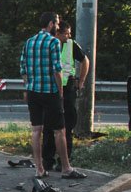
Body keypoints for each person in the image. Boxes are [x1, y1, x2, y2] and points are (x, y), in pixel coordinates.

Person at [19, 12, 86, 181]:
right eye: (56, 23)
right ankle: (66, 168)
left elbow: (23, 68)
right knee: (60, 131)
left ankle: (39, 169)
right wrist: (60, 91)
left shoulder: (29, 42)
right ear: (50, 24)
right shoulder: (53, 42)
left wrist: (27, 87)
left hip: (33, 91)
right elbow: (57, 69)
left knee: (36, 130)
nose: (57, 26)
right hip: (50, 92)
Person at [41, 21, 90, 172]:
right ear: (58, 33)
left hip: (67, 88)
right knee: (48, 126)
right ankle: (47, 161)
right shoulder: (49, 44)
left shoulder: (71, 44)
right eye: (67, 33)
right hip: (52, 88)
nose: (69, 36)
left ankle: (64, 161)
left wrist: (81, 81)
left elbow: (85, 60)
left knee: (66, 125)